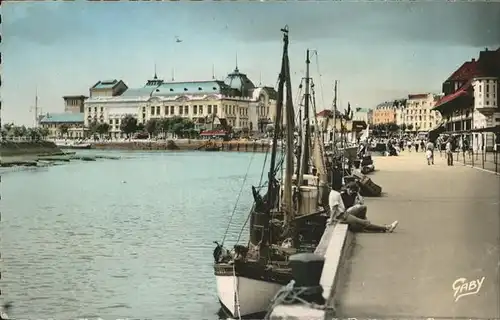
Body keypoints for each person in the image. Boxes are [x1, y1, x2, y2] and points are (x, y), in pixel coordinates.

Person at [327, 182, 398, 233]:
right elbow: (334, 209)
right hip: (343, 216)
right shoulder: (337, 195)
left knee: (363, 222)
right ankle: (387, 227)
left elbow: (334, 209)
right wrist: (331, 220)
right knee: (365, 223)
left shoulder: (333, 194)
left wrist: (332, 219)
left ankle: (384, 228)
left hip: (344, 215)